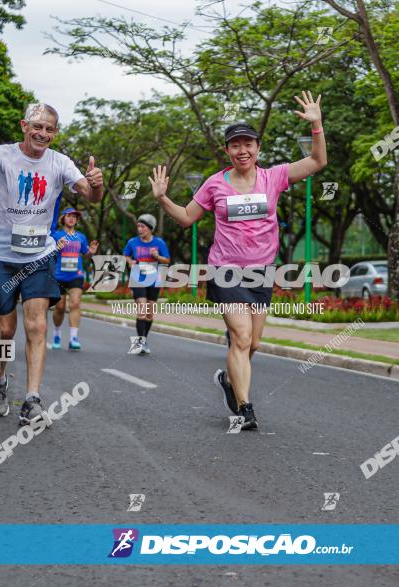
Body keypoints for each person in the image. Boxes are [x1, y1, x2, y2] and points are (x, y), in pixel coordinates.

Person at [150, 92, 327, 430]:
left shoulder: (273, 177)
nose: (242, 150)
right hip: (226, 272)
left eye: (248, 144)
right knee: (241, 337)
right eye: (235, 145)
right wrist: (162, 199)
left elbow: (318, 162)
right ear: (227, 151)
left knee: (254, 344)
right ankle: (245, 409)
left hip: (261, 272)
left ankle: (230, 381)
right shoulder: (215, 184)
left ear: (257, 149)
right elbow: (187, 218)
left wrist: (316, 124)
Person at [0, 102, 104, 424]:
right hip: (0, 257)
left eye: (49, 129)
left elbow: (90, 195)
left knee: (37, 324)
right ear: (24, 125)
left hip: (40, 254)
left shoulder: (60, 163)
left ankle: (32, 399)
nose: (43, 133)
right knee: (6, 329)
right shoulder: (0, 155)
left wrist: (97, 184)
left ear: (55, 133)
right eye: (38, 127)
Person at [50, 207, 98, 350]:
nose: (72, 218)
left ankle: (73, 337)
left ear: (77, 220)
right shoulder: (56, 235)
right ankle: (57, 333)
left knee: (75, 304)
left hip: (76, 275)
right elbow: (49, 254)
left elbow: (86, 254)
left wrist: (91, 252)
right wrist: (57, 248)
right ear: (63, 218)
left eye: (74, 217)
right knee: (59, 307)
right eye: (69, 216)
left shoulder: (81, 237)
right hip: (59, 275)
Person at [123, 214, 170, 355]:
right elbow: (126, 255)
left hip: (154, 280)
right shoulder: (132, 242)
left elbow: (167, 260)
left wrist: (157, 257)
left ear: (150, 228)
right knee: (142, 308)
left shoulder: (159, 243)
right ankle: (140, 342)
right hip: (138, 278)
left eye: (142, 226)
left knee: (149, 313)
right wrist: (130, 262)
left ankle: (144, 339)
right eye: (138, 226)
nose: (139, 229)